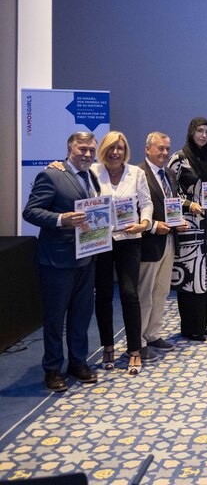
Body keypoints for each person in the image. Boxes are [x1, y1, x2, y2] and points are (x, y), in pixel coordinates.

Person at [50, 132, 153, 375]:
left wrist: (145, 223)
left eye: (120, 148)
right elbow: (69, 171)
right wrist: (55, 164)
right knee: (103, 295)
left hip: (130, 239)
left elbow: (146, 203)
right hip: (100, 242)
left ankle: (134, 350)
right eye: (111, 148)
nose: (115, 152)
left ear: (125, 150)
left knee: (130, 294)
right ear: (103, 150)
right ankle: (108, 347)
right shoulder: (93, 171)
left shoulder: (136, 173)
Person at [23, 132, 101, 392]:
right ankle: (53, 369)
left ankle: (78, 363)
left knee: (81, 316)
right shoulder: (51, 174)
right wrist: (60, 219)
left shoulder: (91, 176)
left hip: (85, 257)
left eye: (91, 149)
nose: (87, 154)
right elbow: (31, 211)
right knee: (55, 318)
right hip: (56, 260)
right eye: (82, 149)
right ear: (70, 148)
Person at [138, 132, 190, 363]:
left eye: (167, 149)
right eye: (159, 148)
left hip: (169, 240)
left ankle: (153, 334)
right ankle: (138, 341)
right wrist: (152, 226)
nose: (164, 153)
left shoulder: (169, 173)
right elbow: (136, 208)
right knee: (144, 293)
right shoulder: (138, 174)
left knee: (161, 291)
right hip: (148, 242)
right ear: (147, 149)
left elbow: (172, 203)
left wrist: (178, 221)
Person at [167, 117, 207, 342]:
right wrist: (188, 204)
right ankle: (189, 327)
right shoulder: (178, 158)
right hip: (188, 224)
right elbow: (168, 192)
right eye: (199, 131)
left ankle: (201, 325)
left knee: (204, 275)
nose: (203, 135)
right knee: (189, 276)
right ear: (191, 132)